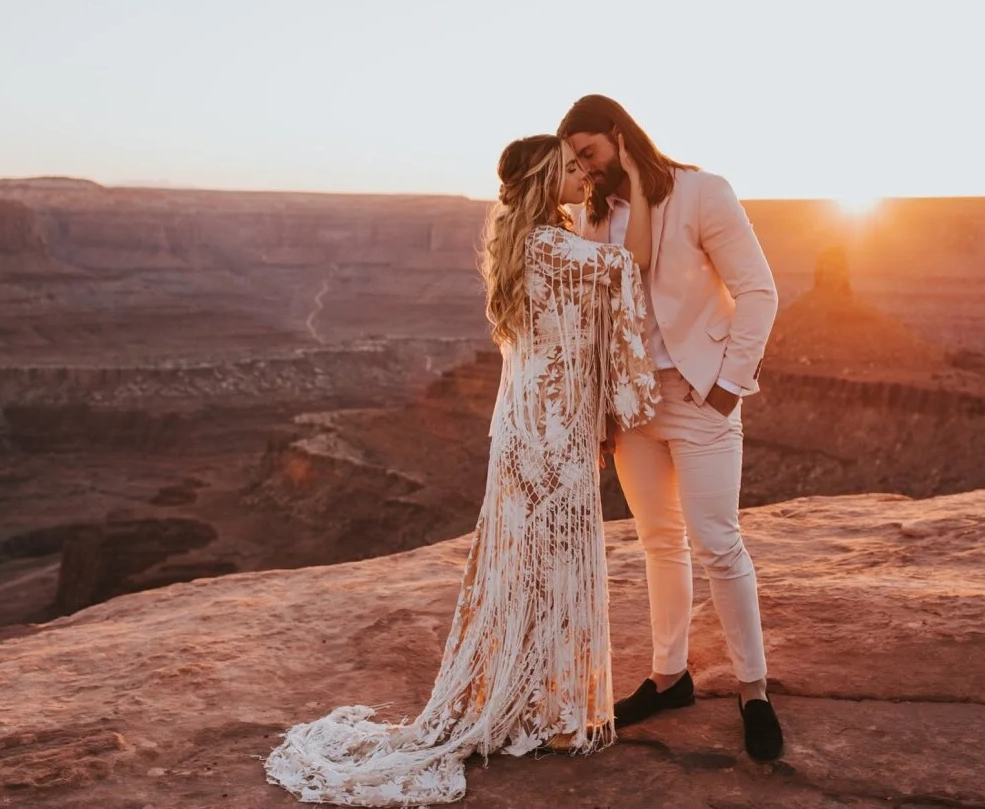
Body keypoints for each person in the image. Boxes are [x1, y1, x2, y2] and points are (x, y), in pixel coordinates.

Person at [264, 134, 660, 806]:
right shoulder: (550, 247)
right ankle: (555, 716)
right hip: (551, 428)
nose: (580, 177)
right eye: (568, 169)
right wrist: (643, 193)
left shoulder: (526, 242)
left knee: (531, 567)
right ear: (542, 180)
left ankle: (539, 704)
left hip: (524, 423)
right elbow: (627, 266)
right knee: (556, 564)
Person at [559, 94, 784, 761]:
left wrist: (725, 387)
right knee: (659, 541)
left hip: (698, 398)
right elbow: (599, 317)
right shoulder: (594, 216)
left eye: (591, 154)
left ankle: (754, 689)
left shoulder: (702, 193)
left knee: (718, 543)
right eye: (574, 162)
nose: (585, 171)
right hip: (632, 409)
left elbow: (760, 292)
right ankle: (669, 675)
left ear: (621, 139)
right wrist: (600, 410)